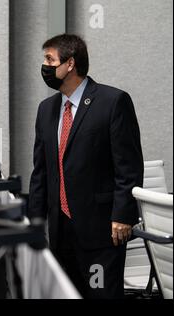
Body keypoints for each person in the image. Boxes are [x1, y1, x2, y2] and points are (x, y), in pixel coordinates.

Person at [28, 34, 144, 298]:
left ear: (70, 64)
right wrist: (35, 223)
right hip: (60, 231)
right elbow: (41, 172)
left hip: (101, 230)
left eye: (49, 59)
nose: (44, 67)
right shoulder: (46, 109)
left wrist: (123, 215)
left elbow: (129, 167)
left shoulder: (113, 101)